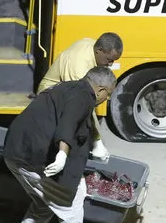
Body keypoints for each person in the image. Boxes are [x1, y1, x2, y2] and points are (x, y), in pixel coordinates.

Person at [0, 66, 117, 223]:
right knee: (72, 201)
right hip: (35, 159)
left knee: (44, 202)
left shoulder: (67, 87)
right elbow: (67, 125)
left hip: (14, 153)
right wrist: (62, 155)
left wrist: (95, 143)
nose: (105, 100)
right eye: (108, 95)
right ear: (100, 90)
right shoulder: (83, 97)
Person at [36, 32, 123, 162]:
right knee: (75, 121)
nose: (110, 64)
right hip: (48, 95)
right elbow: (81, 102)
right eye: (109, 59)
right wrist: (97, 140)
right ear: (99, 50)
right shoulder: (77, 66)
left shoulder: (91, 44)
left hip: (63, 90)